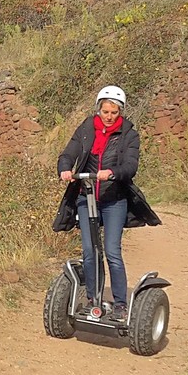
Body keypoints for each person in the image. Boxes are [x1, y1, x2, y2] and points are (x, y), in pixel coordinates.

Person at [54, 84, 160, 320]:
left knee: (112, 251)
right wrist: (65, 169)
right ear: (99, 109)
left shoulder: (128, 133)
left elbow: (131, 165)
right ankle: (93, 299)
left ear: (120, 111)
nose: (110, 117)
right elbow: (68, 153)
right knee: (90, 251)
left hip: (114, 200)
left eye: (114, 112)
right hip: (86, 196)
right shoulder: (86, 128)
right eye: (105, 112)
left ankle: (120, 303)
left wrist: (112, 172)